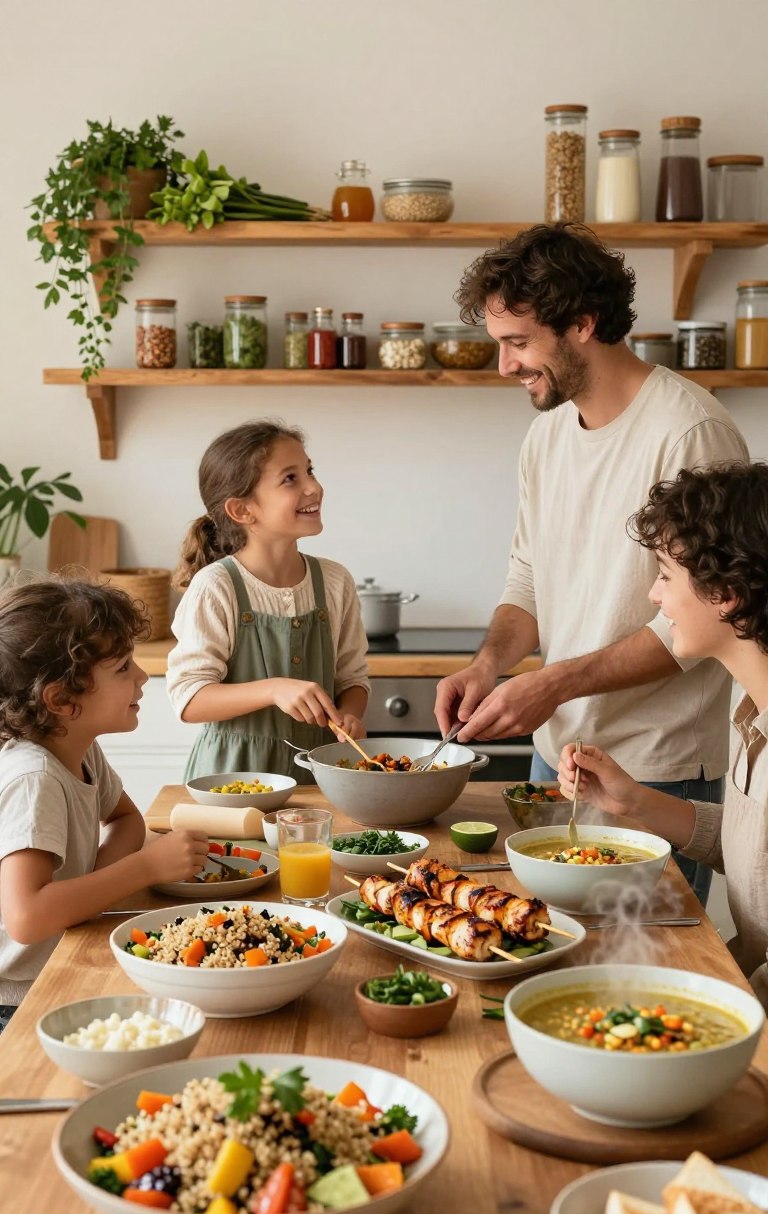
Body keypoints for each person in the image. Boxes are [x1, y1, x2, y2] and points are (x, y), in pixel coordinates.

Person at [434, 223, 749, 905]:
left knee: (648, 957)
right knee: (550, 942)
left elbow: (712, 615)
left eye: (519, 343)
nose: (505, 366)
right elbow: (528, 577)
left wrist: (553, 683)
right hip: (559, 758)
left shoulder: (690, 431)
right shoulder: (545, 435)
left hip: (659, 766)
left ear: (582, 323)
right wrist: (490, 665)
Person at [557, 461, 768, 1005]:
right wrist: (631, 801)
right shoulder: (752, 709)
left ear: (725, 593)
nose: (654, 595)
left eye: (666, 575)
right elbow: (753, 851)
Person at [0, 578, 209, 1029]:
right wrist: (144, 869)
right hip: (16, 1003)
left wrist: (91, 890)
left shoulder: (80, 749)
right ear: (61, 699)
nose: (143, 677)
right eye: (123, 668)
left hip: (61, 959)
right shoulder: (35, 778)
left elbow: (126, 818)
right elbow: (27, 918)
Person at [167, 419, 370, 779]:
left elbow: (352, 678)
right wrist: (273, 689)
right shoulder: (216, 587)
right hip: (231, 784)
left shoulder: (335, 581)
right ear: (242, 510)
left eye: (309, 471)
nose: (314, 487)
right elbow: (189, 699)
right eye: (290, 478)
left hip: (318, 777)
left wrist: (350, 715)